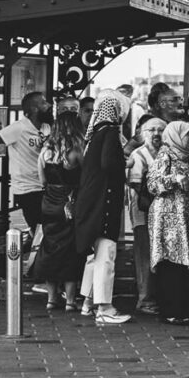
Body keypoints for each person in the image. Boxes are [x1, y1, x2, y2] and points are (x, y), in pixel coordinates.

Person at [74, 90, 131, 324]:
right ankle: (104, 307)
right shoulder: (109, 131)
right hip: (104, 201)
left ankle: (88, 302)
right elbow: (109, 163)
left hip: (90, 201)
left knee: (94, 255)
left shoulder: (94, 133)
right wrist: (126, 163)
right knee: (106, 253)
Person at [0, 91, 53, 236]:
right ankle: (37, 256)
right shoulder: (19, 128)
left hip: (45, 186)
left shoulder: (47, 127)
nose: (49, 105)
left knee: (48, 228)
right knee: (39, 229)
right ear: (34, 109)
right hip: (27, 189)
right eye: (44, 103)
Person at [146, 120, 189, 325]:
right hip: (167, 217)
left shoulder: (187, 156)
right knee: (170, 261)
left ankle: (181, 308)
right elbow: (152, 184)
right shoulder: (165, 154)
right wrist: (174, 180)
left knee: (183, 261)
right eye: (187, 134)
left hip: (184, 215)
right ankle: (170, 309)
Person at [33, 112, 85, 311]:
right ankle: (70, 301)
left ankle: (51, 299)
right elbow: (86, 176)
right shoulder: (77, 149)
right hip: (70, 203)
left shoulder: (45, 151)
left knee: (50, 247)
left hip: (49, 203)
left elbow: (42, 180)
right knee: (70, 250)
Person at [126, 117, 166, 315]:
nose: (156, 134)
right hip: (143, 211)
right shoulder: (138, 155)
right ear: (143, 133)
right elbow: (135, 184)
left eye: (160, 130)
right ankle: (145, 298)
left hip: (163, 213)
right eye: (151, 130)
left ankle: (156, 295)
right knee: (145, 253)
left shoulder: (167, 153)